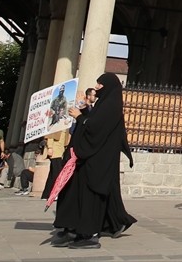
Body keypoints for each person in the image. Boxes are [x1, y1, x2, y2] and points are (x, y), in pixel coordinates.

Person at [51, 72, 133, 250]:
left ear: (108, 87)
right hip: (89, 159)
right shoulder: (104, 104)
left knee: (91, 197)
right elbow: (92, 122)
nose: (96, 89)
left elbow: (95, 128)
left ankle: (88, 235)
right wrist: (83, 113)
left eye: (99, 86)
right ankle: (73, 227)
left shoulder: (111, 106)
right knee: (76, 192)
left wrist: (79, 117)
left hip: (98, 162)